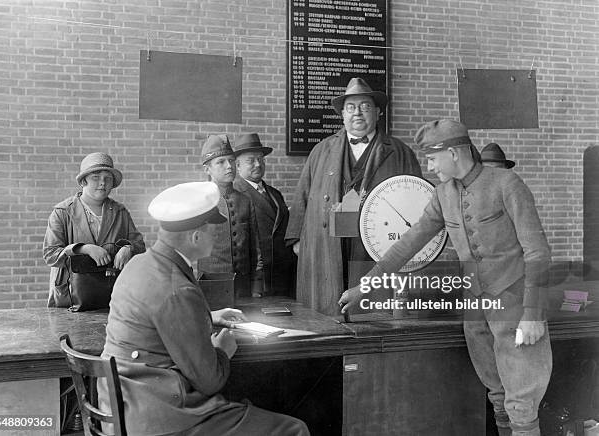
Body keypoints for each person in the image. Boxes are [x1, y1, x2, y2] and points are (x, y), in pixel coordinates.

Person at [339, 119, 552, 436]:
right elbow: (408, 244)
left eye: (432, 158)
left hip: (515, 308)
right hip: (476, 312)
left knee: (521, 402)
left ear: (453, 153)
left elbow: (538, 252)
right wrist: (364, 286)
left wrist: (532, 315)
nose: (429, 166)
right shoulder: (443, 195)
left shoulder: (507, 183)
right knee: (497, 395)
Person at [98, 181, 310, 436]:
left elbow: (153, 318)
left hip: (123, 406)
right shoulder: (178, 289)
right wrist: (222, 350)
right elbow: (211, 381)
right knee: (293, 428)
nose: (217, 235)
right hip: (163, 418)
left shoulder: (138, 264)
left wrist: (206, 316)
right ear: (195, 237)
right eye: (213, 230)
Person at [285, 77, 423, 315]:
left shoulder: (401, 153)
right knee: (324, 314)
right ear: (342, 114)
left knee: (372, 315)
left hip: (376, 249)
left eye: (365, 106)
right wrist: (297, 239)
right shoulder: (321, 150)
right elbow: (302, 197)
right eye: (350, 107)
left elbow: (417, 205)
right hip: (326, 244)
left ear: (378, 112)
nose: (357, 113)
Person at [43, 152, 145, 308]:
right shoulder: (63, 212)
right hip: (70, 299)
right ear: (83, 181)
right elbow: (50, 255)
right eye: (95, 177)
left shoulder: (120, 212)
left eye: (107, 178)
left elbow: (140, 246)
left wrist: (128, 248)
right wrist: (83, 248)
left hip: (111, 298)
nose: (102, 183)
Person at [198, 134, 264, 298]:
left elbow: (256, 250)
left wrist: (256, 287)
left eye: (231, 161)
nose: (229, 166)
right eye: (221, 162)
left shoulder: (244, 200)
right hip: (211, 286)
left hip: (243, 287)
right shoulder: (200, 201)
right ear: (207, 169)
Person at [233, 133, 296, 297]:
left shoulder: (275, 194)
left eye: (261, 159)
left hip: (282, 275)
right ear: (237, 166)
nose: (258, 164)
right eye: (250, 160)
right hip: (257, 280)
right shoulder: (236, 196)